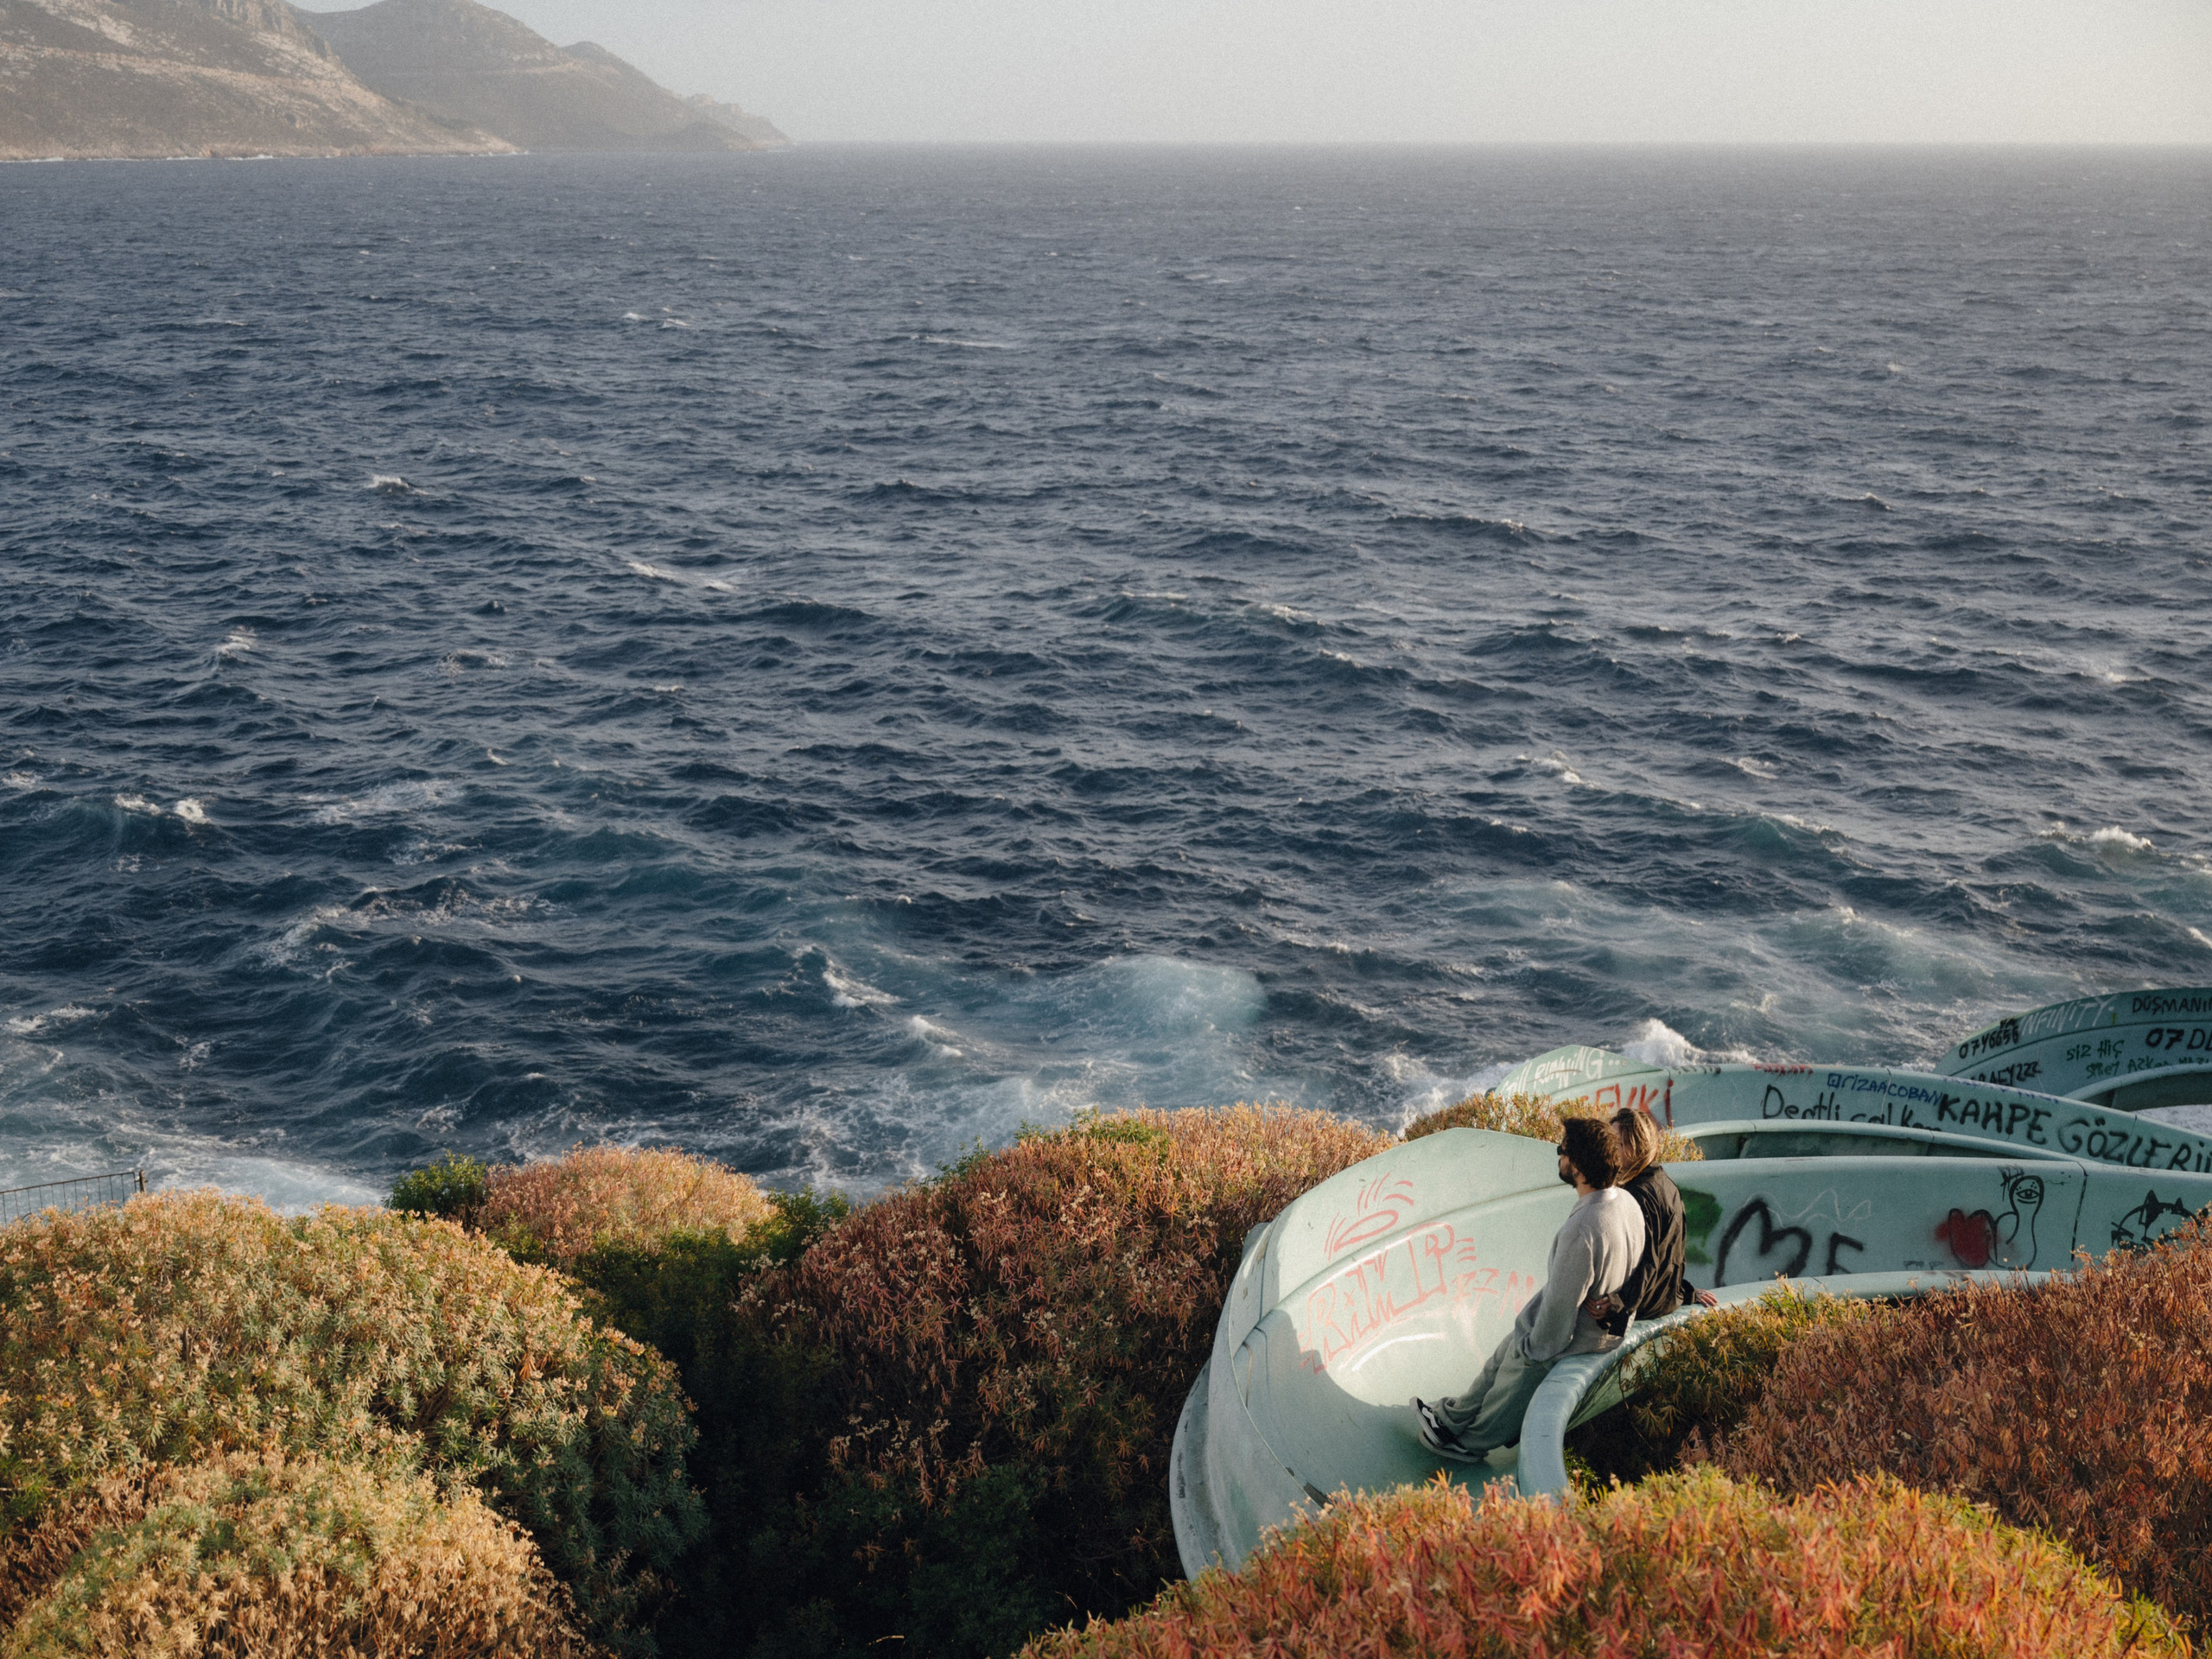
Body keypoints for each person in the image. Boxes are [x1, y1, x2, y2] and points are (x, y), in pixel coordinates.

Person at [1410, 1115, 1644, 1464]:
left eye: (1563, 1150)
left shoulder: (1582, 1229)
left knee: (1517, 1366)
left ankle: (1469, 1443)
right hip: (1602, 1328)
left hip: (1580, 1337)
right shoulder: (1626, 1202)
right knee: (1507, 1348)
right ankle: (1451, 1418)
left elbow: (1560, 1312)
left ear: (1578, 1168)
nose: (1559, 1154)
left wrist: (1532, 1351)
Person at [1583, 1108, 1718, 1334]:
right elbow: (1671, 1254)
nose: (1612, 1151)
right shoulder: (1664, 1182)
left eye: (1620, 1144)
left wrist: (1617, 1304)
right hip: (1664, 1299)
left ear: (1638, 1148)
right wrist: (1686, 1292)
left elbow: (1650, 1260)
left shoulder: (1638, 1194)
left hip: (1644, 1306)